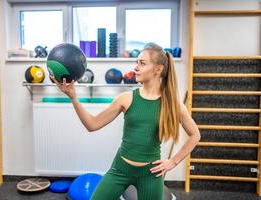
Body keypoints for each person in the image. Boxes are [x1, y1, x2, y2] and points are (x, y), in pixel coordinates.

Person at [51, 43, 201, 200]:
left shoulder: (172, 104)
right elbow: (92, 124)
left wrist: (173, 162)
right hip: (120, 170)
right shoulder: (126, 98)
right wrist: (74, 98)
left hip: (150, 174)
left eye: (142, 63)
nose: (135, 67)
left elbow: (195, 135)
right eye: (136, 62)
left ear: (158, 69)